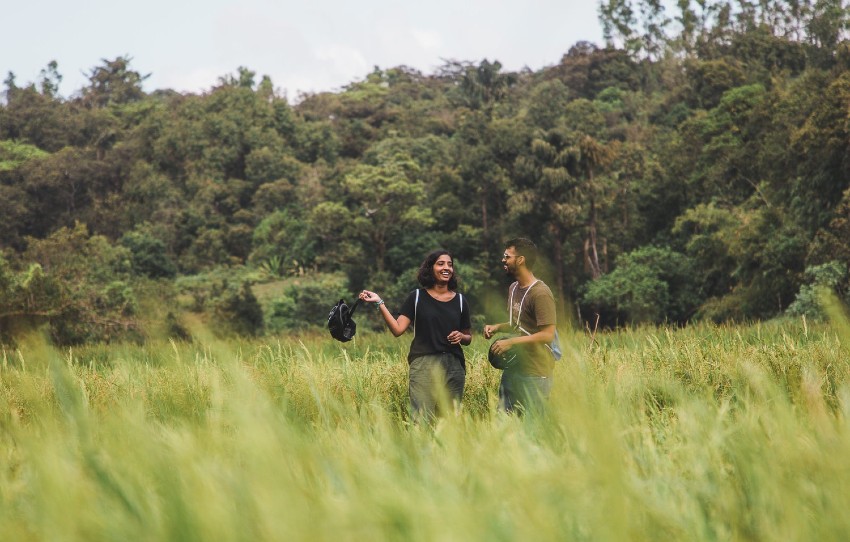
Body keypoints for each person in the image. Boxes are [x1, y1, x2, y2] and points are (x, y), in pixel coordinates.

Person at [359, 250, 472, 422]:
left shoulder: (461, 301)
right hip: (423, 364)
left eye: (450, 264)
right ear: (430, 268)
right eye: (440, 263)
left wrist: (461, 337)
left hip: (454, 366)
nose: (446, 268)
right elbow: (398, 329)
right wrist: (379, 302)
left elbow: (468, 337)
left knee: (450, 422)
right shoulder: (417, 297)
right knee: (422, 419)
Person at [484, 238, 558, 414]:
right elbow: (518, 325)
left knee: (533, 426)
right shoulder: (513, 288)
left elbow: (548, 334)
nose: (503, 260)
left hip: (535, 372)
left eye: (507, 256)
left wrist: (511, 343)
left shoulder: (540, 293)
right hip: (514, 368)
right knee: (505, 423)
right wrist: (497, 327)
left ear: (520, 259)